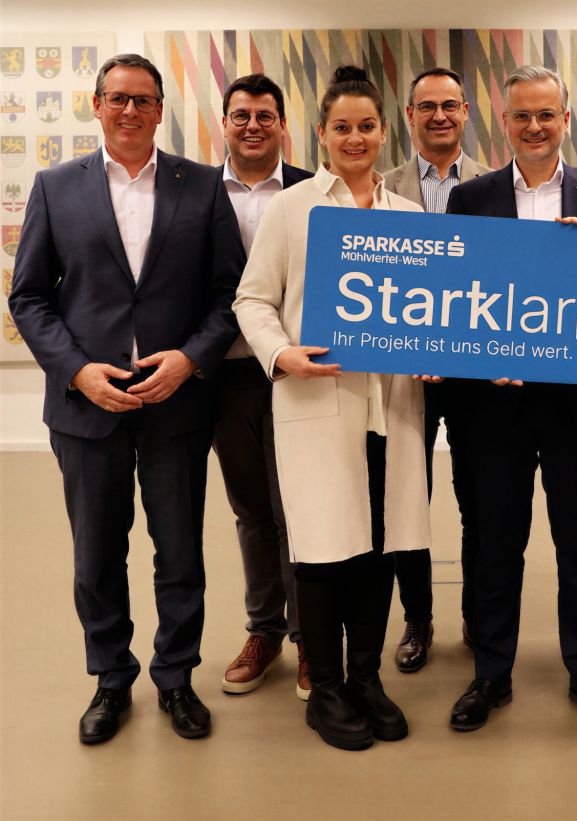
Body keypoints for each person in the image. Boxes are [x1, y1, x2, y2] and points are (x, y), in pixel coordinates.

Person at [9, 53, 246, 743]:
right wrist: (77, 371)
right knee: (96, 556)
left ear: (161, 109)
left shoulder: (201, 186)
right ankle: (111, 679)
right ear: (97, 104)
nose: (131, 110)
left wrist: (191, 359)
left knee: (180, 554)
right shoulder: (56, 187)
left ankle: (176, 678)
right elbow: (28, 297)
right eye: (119, 98)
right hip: (87, 408)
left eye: (144, 100)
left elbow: (229, 293)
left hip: (176, 404)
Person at [233, 65, 431, 751]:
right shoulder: (293, 209)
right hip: (318, 403)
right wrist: (281, 354)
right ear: (321, 133)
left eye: (367, 126)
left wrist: (436, 349)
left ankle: (366, 678)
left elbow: (431, 309)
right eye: (342, 127)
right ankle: (325, 689)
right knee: (321, 553)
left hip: (391, 409)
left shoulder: (409, 217)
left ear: (384, 131)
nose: (355, 138)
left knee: (379, 547)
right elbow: (252, 299)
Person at [445, 64, 577, 733]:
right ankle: (490, 673)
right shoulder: (469, 198)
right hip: (495, 408)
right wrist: (478, 360)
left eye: (546, 115)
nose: (534, 127)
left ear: (566, 120)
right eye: (522, 115)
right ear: (504, 122)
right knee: (495, 545)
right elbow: (458, 297)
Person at [383, 66, 490, 673]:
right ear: (410, 115)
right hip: (406, 372)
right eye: (427, 106)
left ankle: (477, 616)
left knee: (480, 498)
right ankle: (417, 618)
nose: (440, 116)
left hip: (476, 373)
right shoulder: (382, 187)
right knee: (408, 500)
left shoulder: (495, 186)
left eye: (450, 105)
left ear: (466, 111)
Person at [214, 73, 314, 700]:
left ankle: (308, 639)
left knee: (295, 511)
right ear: (224, 123)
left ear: (282, 124)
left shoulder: (312, 190)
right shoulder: (197, 192)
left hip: (297, 374)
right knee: (251, 509)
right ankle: (264, 631)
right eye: (241, 115)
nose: (253, 125)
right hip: (227, 375)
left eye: (265, 116)